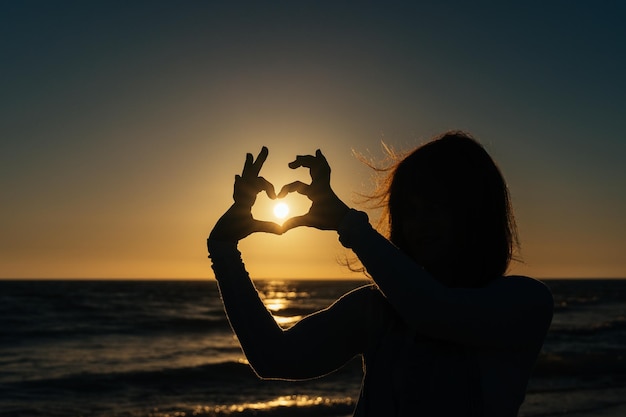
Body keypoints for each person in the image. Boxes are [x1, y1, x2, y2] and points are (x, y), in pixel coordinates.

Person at [207, 131, 554, 417]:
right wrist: (223, 250)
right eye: (409, 211)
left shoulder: (523, 302)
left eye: (434, 208)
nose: (419, 225)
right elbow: (274, 357)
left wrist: (348, 224)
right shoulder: (376, 309)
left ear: (475, 213)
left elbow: (435, 312)